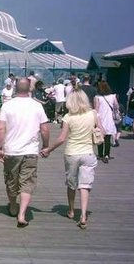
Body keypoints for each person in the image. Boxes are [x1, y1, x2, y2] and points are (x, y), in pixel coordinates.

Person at [40, 90, 102, 229]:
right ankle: (84, 214)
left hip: (72, 154)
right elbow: (102, 131)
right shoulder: (93, 114)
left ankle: (72, 210)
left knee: (71, 183)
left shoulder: (68, 117)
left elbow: (62, 138)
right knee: (85, 185)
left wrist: (48, 149)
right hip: (88, 153)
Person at [0, 78, 50, 227]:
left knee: (11, 179)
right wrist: (46, 146)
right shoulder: (37, 106)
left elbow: (1, 129)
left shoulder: (7, 105)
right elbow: (45, 129)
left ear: (15, 88)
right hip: (30, 150)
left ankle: (13, 205)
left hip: (12, 150)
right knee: (27, 181)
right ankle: (22, 213)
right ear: (30, 89)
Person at [94, 81, 118, 163]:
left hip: (100, 119)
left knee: (100, 137)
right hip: (109, 119)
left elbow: (96, 110)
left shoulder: (97, 97)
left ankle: (100, 154)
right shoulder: (113, 96)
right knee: (108, 138)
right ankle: (107, 154)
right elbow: (116, 106)